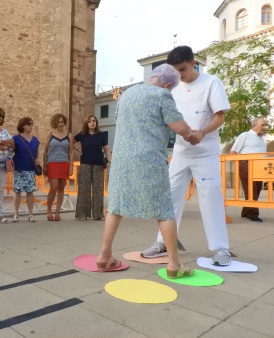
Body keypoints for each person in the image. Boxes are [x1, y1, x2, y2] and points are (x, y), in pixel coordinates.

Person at [96, 64, 195, 278]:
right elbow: (179, 127)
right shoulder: (162, 95)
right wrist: (193, 134)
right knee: (163, 209)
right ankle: (174, 264)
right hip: (148, 159)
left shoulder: (126, 94)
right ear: (167, 85)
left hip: (121, 159)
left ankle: (104, 255)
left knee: (116, 207)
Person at [141, 46, 232, 266]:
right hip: (181, 152)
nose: (180, 75)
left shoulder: (212, 82)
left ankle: (221, 248)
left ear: (193, 63)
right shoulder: (173, 87)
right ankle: (164, 242)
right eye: (175, 71)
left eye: (183, 69)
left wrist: (202, 132)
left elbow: (220, 117)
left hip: (206, 152)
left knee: (210, 196)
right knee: (170, 196)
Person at [73, 114, 111, 221]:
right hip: (85, 164)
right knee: (84, 189)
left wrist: (109, 160)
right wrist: (77, 150)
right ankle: (82, 214)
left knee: (98, 189)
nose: (92, 123)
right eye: (90, 121)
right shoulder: (82, 135)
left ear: (96, 123)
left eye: (94, 121)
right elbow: (71, 143)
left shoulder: (100, 135)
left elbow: (107, 150)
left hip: (98, 164)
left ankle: (98, 214)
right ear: (87, 123)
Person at [230, 117, 267, 222]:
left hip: (260, 166)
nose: (264, 128)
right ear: (254, 126)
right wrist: (240, 166)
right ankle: (253, 213)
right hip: (246, 164)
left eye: (265, 125)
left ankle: (246, 211)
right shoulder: (244, 136)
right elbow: (233, 152)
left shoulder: (261, 138)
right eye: (262, 125)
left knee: (258, 187)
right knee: (251, 188)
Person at [43, 113, 74, 221]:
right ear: (55, 123)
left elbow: (70, 152)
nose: (60, 124)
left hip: (64, 163)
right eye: (58, 122)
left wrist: (71, 165)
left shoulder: (69, 135)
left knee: (61, 188)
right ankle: (48, 210)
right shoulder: (50, 134)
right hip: (52, 163)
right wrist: (45, 165)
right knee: (54, 187)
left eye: (62, 122)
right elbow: (45, 150)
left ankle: (57, 211)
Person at [12, 117, 40, 223]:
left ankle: (31, 214)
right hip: (19, 168)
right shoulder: (16, 138)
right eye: (29, 124)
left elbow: (36, 153)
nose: (31, 126)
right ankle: (16, 214)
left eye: (32, 124)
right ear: (23, 125)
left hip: (30, 168)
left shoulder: (35, 139)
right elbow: (12, 151)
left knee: (30, 191)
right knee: (17, 191)